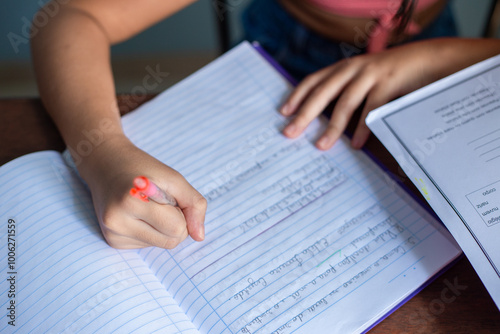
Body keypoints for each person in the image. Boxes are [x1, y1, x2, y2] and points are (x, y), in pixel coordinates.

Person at [31, 0, 500, 250]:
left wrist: (438, 56)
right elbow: (71, 17)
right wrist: (103, 152)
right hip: (284, 60)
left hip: (444, 63)